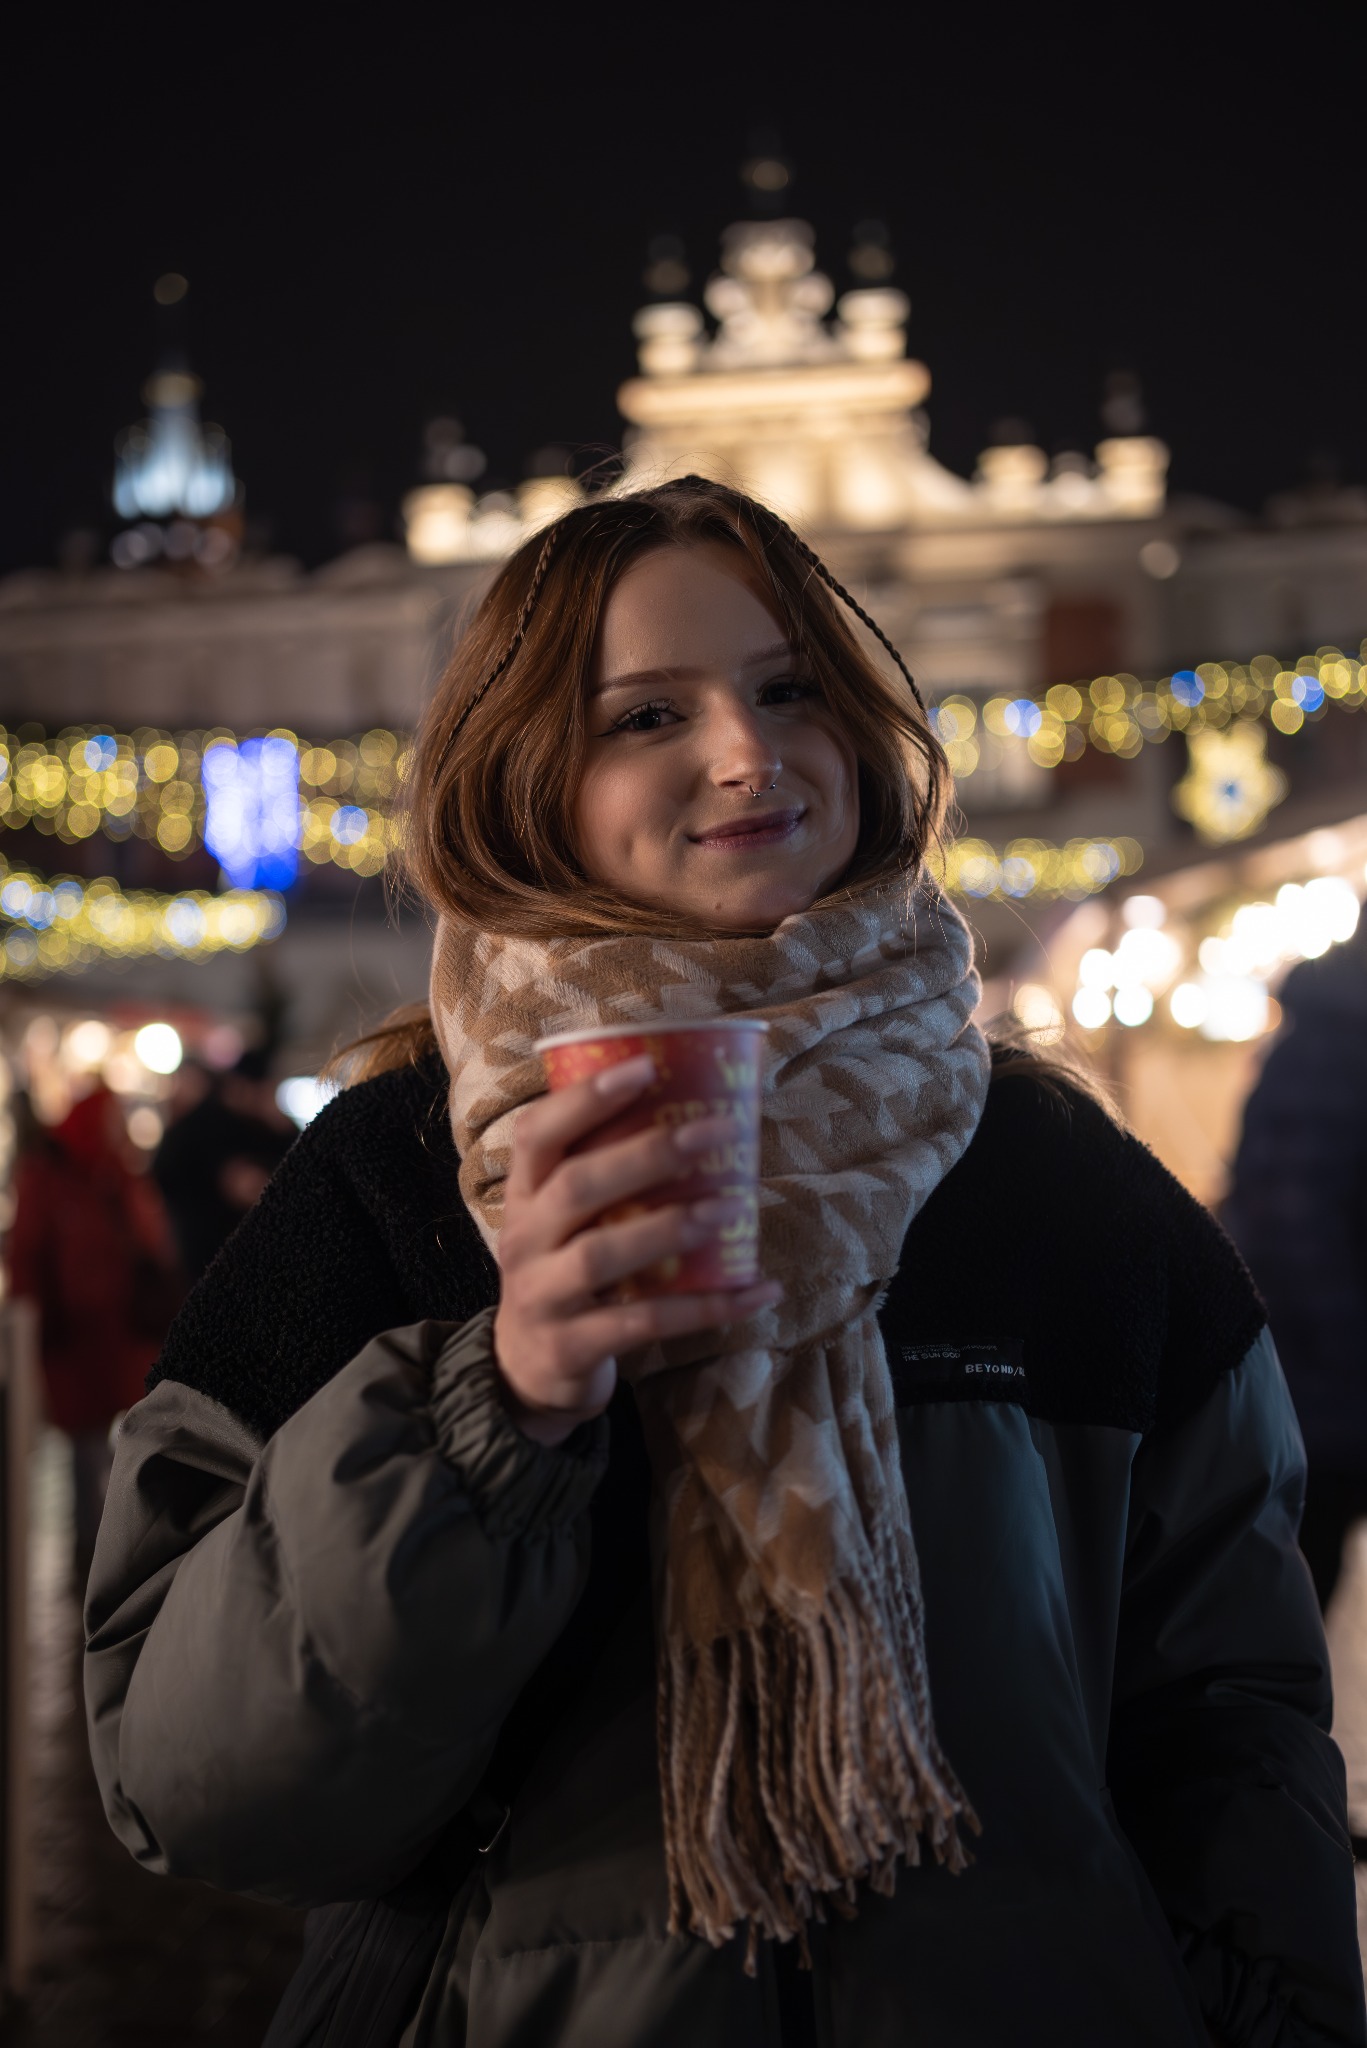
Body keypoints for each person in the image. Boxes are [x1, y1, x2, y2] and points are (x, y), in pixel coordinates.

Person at [83, 479, 1364, 2047]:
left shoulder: (1053, 1181)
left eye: (787, 690)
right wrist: (488, 1415)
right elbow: (194, 1785)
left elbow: (1230, 1721)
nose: (746, 755)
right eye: (643, 716)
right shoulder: (391, 1179)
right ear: (524, 779)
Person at [1224, 917, 1367, 1610]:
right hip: (1328, 1386)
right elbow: (1283, 1228)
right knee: (1297, 1595)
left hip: (1326, 1380)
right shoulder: (1323, 1051)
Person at [9, 1084, 180, 1573]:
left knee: (121, 1442)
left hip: (118, 1335)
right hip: (74, 1341)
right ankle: (91, 1553)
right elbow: (29, 1256)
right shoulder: (49, 1175)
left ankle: (113, 1545)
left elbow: (150, 1241)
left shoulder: (116, 1172)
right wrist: (36, 1326)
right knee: (84, 1449)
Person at [151, 1047, 295, 1280]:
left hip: (253, 1253)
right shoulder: (202, 1124)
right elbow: (167, 1171)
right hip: (210, 1251)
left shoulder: (269, 1126)